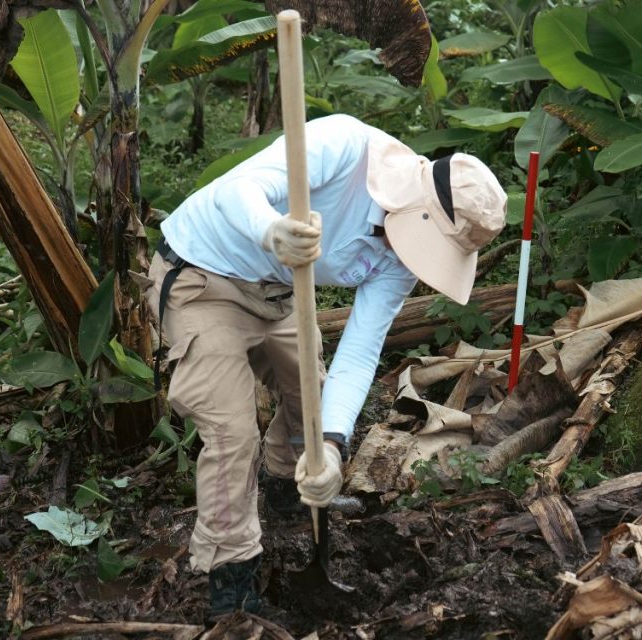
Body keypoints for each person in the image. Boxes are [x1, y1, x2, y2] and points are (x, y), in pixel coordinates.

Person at [146, 113, 506, 617]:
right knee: (231, 431)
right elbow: (237, 190)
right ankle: (232, 576)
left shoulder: (401, 262)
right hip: (205, 274)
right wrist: (271, 230)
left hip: (282, 292)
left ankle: (283, 488)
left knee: (310, 403)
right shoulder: (344, 146)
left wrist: (333, 447)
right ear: (417, 209)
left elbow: (359, 350)